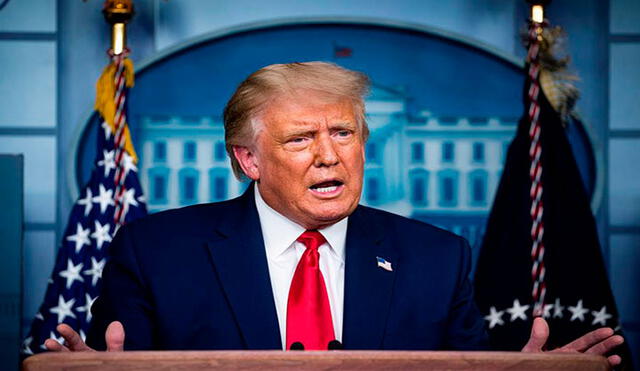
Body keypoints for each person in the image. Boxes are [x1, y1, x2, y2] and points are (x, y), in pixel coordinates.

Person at [46, 62, 624, 364]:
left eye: (345, 132)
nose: (330, 155)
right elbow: (118, 365)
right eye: (301, 139)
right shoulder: (156, 252)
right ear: (248, 158)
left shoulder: (436, 258)